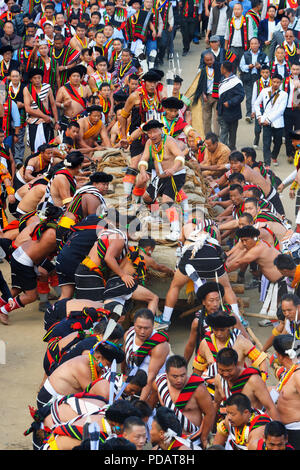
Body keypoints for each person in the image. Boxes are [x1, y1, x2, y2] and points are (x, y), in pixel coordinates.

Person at [0, 204, 63, 325]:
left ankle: (2, 305)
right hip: (22, 258)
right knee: (31, 296)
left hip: (20, 255)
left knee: (18, 288)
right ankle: (3, 310)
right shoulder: (53, 233)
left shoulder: (42, 224)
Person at [36, 339, 125, 409]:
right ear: (98, 357)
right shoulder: (82, 366)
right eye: (109, 364)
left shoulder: (92, 361)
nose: (109, 368)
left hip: (61, 399)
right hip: (48, 399)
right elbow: (94, 395)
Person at [137, 119, 186, 241]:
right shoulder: (149, 143)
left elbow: (180, 156)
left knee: (166, 200)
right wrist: (143, 172)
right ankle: (155, 216)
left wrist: (174, 169)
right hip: (161, 176)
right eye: (149, 133)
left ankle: (175, 230)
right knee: (147, 197)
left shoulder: (169, 141)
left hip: (176, 174)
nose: (152, 135)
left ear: (160, 131)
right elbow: (143, 159)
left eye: (154, 132)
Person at [151, 354, 215, 448]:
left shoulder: (198, 388)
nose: (179, 380)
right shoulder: (160, 383)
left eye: (182, 375)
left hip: (192, 440)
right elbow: (151, 403)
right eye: (175, 376)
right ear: (166, 373)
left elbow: (210, 413)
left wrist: (204, 437)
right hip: (167, 439)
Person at [213, 348, 280, 420]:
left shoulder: (253, 380)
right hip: (231, 425)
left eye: (229, 370)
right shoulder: (218, 379)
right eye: (221, 370)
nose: (225, 374)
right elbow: (216, 403)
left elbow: (270, 407)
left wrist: (277, 429)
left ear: (237, 364)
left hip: (253, 425)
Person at [122, 308, 170, 402]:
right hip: (134, 380)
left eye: (146, 328)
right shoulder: (128, 334)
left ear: (153, 326)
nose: (142, 332)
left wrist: (141, 403)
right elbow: (124, 357)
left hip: (153, 385)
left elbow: (151, 378)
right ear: (134, 325)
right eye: (139, 327)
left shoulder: (159, 346)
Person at [272, 334, 300, 449]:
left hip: (296, 433)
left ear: (279, 355)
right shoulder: (289, 371)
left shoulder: (298, 375)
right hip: (286, 430)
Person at [23, 68, 59, 153]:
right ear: (31, 79)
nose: (37, 80)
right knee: (34, 149)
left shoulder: (47, 88)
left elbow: (53, 105)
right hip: (34, 122)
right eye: (35, 78)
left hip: (46, 122)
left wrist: (57, 122)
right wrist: (44, 116)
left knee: (49, 147)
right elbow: (28, 109)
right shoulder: (27, 89)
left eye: (39, 78)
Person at [239, 37, 269, 123]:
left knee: (261, 96)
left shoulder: (263, 55)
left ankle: (261, 113)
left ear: (259, 44)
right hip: (248, 78)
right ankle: (249, 114)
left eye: (256, 43)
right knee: (249, 96)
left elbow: (267, 65)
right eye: (252, 44)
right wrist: (249, 66)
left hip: (260, 78)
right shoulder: (246, 54)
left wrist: (261, 67)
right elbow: (241, 66)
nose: (254, 45)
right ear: (250, 45)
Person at [217, 61, 245, 151]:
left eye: (221, 68)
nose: (220, 69)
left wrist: (230, 102)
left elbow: (241, 95)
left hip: (233, 113)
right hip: (223, 112)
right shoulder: (222, 79)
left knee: (232, 134)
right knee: (224, 132)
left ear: (225, 69)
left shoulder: (236, 82)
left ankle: (232, 150)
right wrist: (218, 108)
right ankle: (222, 151)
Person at [194, 51, 221, 136]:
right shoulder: (202, 69)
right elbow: (200, 83)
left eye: (211, 60)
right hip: (206, 96)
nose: (209, 62)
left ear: (214, 58)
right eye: (207, 60)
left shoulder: (220, 67)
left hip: (217, 96)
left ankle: (216, 137)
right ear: (204, 60)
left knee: (217, 118)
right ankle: (208, 137)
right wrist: (203, 94)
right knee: (206, 118)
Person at [283, 63, 300, 164]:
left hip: (298, 110)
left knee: (298, 132)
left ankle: (297, 152)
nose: (295, 71)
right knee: (288, 133)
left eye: (297, 69)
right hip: (288, 109)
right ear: (291, 70)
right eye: (294, 69)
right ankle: (289, 153)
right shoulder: (286, 81)